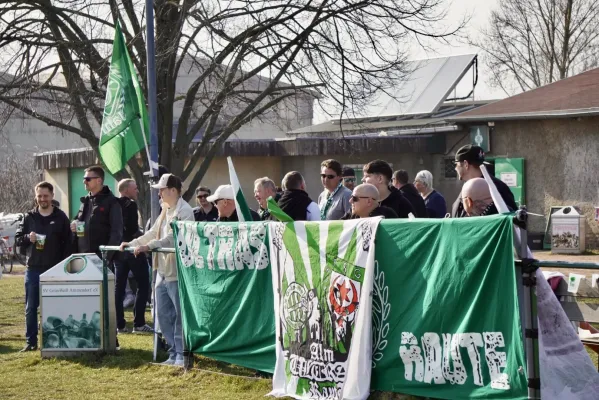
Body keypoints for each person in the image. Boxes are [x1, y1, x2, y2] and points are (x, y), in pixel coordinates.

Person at [121, 174, 194, 367]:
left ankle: (181, 354)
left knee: (179, 316)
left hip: (178, 272)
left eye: (161, 189)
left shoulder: (185, 211)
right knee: (162, 314)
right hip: (161, 270)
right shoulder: (165, 209)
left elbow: (172, 238)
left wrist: (149, 246)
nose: (159, 193)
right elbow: (153, 232)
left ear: (173, 190)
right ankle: (172, 353)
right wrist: (133, 243)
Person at [16, 182, 72, 352]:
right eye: (39, 196)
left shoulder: (61, 217)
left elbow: (68, 243)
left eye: (45, 196)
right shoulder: (29, 217)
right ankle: (31, 342)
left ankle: (55, 340)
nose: (42, 199)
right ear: (36, 197)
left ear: (52, 196)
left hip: (55, 269)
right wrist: (27, 237)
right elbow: (18, 240)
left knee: (56, 307)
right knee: (31, 308)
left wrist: (64, 266)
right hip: (33, 268)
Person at [114, 179, 152, 334]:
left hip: (117, 251)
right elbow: (132, 228)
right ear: (126, 190)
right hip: (132, 249)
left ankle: (120, 325)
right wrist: (143, 240)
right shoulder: (130, 204)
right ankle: (139, 323)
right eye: (135, 188)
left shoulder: (113, 204)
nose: (137, 191)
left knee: (119, 288)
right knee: (143, 284)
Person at [71, 166, 123, 260]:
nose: (84, 182)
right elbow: (78, 220)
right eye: (84, 179)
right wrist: (74, 223)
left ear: (99, 180)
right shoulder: (85, 200)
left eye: (87, 179)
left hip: (100, 258)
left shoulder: (112, 202)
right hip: (81, 257)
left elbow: (116, 233)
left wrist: (106, 257)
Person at [451, 145, 517, 218]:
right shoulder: (467, 186)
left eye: (456, 164)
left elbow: (511, 218)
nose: (455, 168)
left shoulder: (498, 187)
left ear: (466, 164)